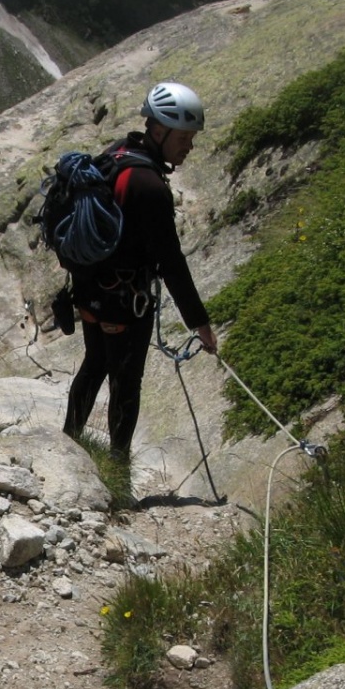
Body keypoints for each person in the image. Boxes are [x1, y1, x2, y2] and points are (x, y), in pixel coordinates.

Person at [62, 81, 218, 461]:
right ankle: (117, 469)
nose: (189, 147)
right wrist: (200, 323)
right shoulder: (149, 184)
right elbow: (171, 261)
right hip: (125, 302)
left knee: (95, 363)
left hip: (88, 291)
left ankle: (67, 446)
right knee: (126, 382)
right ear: (160, 130)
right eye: (183, 137)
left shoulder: (118, 152)